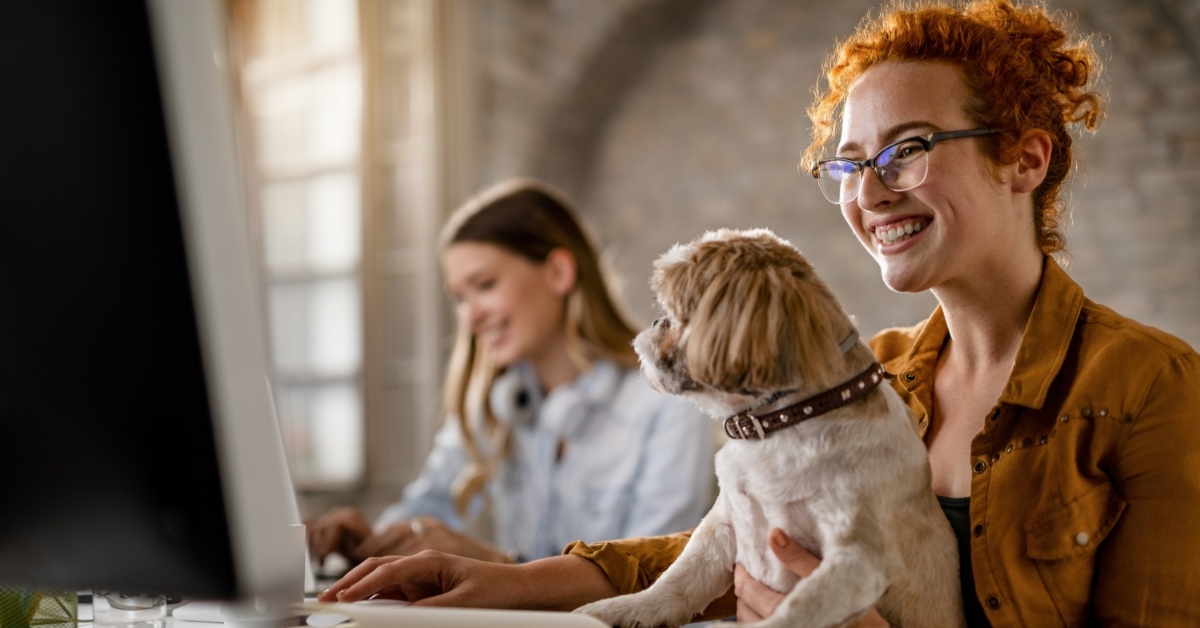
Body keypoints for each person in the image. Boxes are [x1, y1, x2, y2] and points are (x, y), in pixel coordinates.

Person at [317, 1, 1200, 625]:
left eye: (910, 150)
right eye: (849, 166)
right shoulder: (878, 374)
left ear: (1027, 159)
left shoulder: (1147, 386)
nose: (870, 193)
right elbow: (726, 536)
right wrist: (500, 584)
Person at [307, 178, 714, 568]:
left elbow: (654, 583)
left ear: (558, 272)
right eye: (460, 298)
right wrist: (369, 542)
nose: (470, 316)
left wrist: (497, 568)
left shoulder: (669, 406)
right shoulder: (497, 402)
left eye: (484, 284)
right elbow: (424, 511)